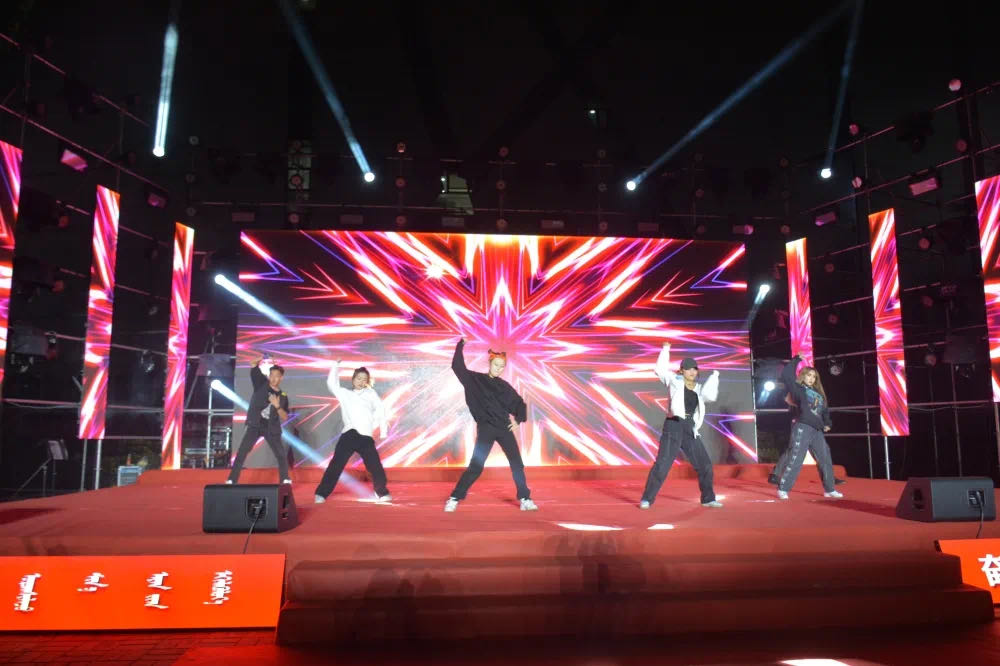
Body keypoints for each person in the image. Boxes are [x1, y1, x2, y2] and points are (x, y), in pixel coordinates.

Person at [444, 338, 537, 512]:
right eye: (496, 365)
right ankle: (455, 497)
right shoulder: (475, 380)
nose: (498, 369)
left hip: (504, 428)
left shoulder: (504, 387)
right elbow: (457, 367)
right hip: (486, 428)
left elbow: (519, 403)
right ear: (490, 363)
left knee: (517, 464)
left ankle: (525, 498)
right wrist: (461, 344)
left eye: (502, 366)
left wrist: (518, 420)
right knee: (476, 466)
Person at [639, 342, 723, 509]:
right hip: (674, 425)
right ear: (682, 371)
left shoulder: (699, 388)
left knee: (705, 464)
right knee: (663, 464)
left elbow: (710, 396)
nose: (692, 372)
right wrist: (665, 349)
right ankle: (647, 498)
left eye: (695, 369)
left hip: (690, 427)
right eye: (688, 368)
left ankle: (708, 498)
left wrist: (715, 377)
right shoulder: (674, 381)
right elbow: (660, 370)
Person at [314, 361, 391, 503]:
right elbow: (332, 384)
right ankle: (321, 494)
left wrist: (383, 432)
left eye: (364, 379)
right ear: (353, 379)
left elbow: (381, 410)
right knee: (336, 465)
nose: (361, 382)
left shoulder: (371, 393)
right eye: (358, 378)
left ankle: (381, 492)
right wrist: (335, 366)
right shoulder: (345, 393)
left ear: (367, 382)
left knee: (375, 466)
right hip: (349, 434)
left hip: (365, 437)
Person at [774, 355, 842, 500]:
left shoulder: (819, 394)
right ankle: (783, 488)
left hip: (817, 430)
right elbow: (786, 374)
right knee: (796, 458)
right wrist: (797, 359)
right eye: (808, 375)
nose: (811, 378)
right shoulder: (798, 389)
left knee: (825, 458)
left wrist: (827, 423)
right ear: (803, 376)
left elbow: (824, 410)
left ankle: (829, 489)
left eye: (814, 376)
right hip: (803, 427)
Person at [227, 355, 291, 484]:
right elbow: (253, 365)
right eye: (271, 375)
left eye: (277, 376)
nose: (273, 378)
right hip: (255, 425)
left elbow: (284, 416)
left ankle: (285, 480)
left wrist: (277, 406)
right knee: (242, 453)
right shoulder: (261, 384)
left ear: (281, 378)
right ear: (269, 376)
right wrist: (263, 358)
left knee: (281, 455)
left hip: (271, 428)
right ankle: (232, 480)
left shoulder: (283, 396)